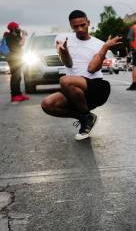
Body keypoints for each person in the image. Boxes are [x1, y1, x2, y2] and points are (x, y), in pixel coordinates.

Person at [41, 10, 120, 140]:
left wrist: (105, 47)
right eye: (76, 26)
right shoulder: (62, 39)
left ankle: (85, 115)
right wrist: (64, 53)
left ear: (88, 23)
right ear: (71, 26)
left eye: (83, 25)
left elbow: (92, 69)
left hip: (96, 88)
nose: (80, 29)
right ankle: (86, 117)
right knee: (47, 104)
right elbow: (69, 65)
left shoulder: (99, 44)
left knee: (65, 80)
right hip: (74, 91)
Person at [4, 22, 29, 103]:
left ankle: (19, 94)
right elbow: (21, 43)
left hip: (16, 59)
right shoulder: (10, 37)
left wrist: (21, 34)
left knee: (18, 77)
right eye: (17, 26)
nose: (19, 27)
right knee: (15, 77)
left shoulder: (14, 35)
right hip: (13, 59)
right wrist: (24, 36)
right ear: (14, 28)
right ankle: (14, 96)